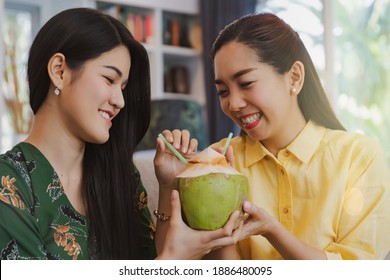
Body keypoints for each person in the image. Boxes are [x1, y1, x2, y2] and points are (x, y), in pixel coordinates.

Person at [0, 8, 240, 260]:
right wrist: (173, 262)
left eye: (123, 87)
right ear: (60, 71)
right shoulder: (9, 183)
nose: (120, 101)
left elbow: (150, 260)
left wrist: (168, 184)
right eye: (109, 79)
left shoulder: (121, 176)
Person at [157, 13, 390, 259]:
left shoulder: (358, 157)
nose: (233, 103)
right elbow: (171, 262)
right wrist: (168, 185)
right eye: (223, 91)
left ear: (294, 77)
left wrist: (272, 231)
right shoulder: (218, 162)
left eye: (246, 83)